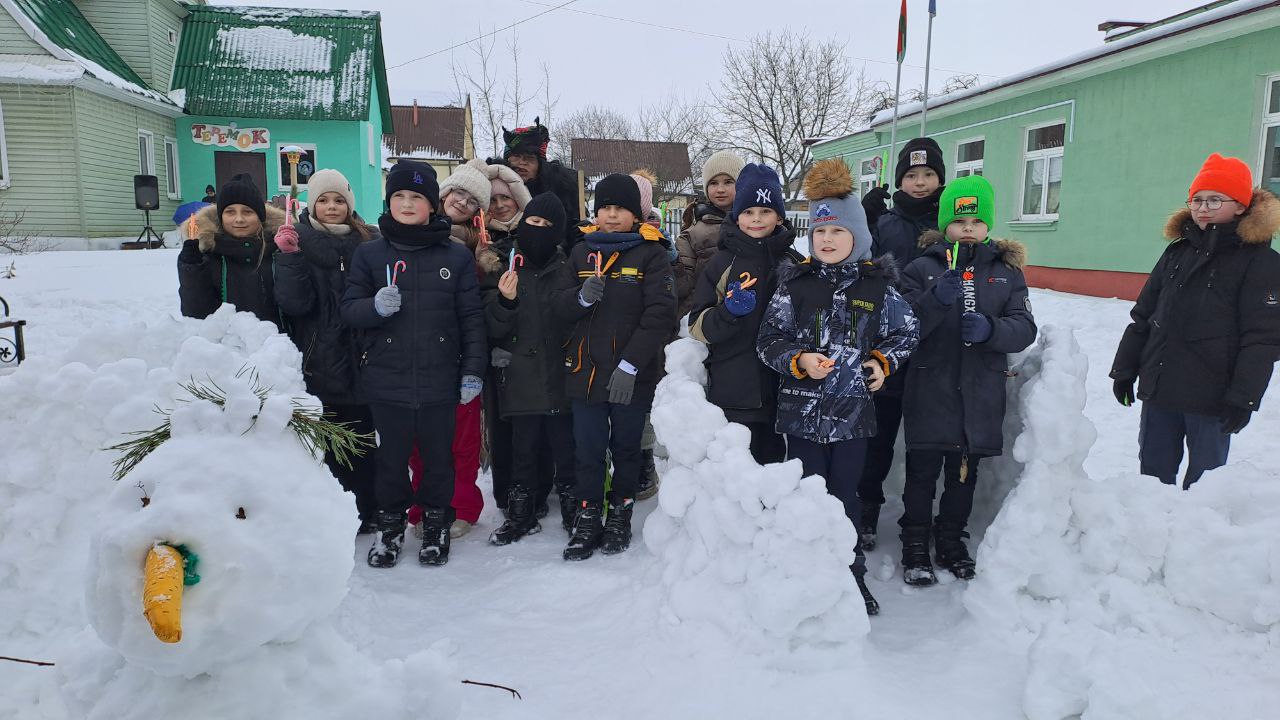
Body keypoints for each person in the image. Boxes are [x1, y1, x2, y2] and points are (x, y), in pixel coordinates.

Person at [757, 158, 920, 617]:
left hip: (853, 419)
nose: (827, 240)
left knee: (845, 498)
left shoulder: (877, 286)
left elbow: (906, 332)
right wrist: (798, 360)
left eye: (837, 232)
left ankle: (852, 576)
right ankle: (809, 576)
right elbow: (768, 340)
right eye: (820, 232)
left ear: (858, 237)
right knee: (809, 496)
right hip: (801, 417)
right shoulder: (795, 284)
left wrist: (881, 362)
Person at [340, 160, 486, 569]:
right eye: (399, 196)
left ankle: (436, 524)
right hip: (387, 379)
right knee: (391, 461)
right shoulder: (370, 253)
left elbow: (471, 319)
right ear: (389, 201)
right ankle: (390, 528)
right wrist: (374, 307)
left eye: (416, 197)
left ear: (431, 205)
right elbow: (349, 310)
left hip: (441, 377)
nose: (407, 204)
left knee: (439, 458)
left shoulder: (454, 257)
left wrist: (472, 369)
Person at [898, 175, 1037, 586]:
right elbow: (903, 325)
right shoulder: (921, 267)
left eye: (977, 220)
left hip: (978, 394)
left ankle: (951, 539)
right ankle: (916, 543)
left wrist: (992, 330)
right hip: (930, 388)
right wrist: (935, 300)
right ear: (945, 225)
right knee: (921, 474)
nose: (969, 228)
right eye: (960, 222)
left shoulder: (1006, 272)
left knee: (963, 476)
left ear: (988, 225)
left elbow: (1024, 326)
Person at [1111, 153, 1280, 490]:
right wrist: (1125, 368)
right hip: (1161, 390)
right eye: (1197, 199)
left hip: (1213, 397)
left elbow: (1263, 337)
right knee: (1152, 480)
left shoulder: (1261, 262)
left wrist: (1243, 397)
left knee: (1205, 487)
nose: (1203, 207)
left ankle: (1194, 542)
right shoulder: (1177, 252)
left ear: (1242, 206)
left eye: (1215, 199)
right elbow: (1144, 315)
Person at [554, 173, 677, 561]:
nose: (611, 215)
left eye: (620, 208)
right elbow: (557, 307)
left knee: (625, 448)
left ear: (636, 214)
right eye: (604, 207)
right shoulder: (580, 252)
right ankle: (589, 514)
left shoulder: (652, 254)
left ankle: (620, 511)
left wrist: (631, 364)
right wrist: (581, 299)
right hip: (585, 373)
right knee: (588, 449)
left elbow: (661, 315)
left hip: (631, 375)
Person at [273, 169, 379, 533]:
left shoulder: (368, 242)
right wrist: (288, 258)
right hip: (321, 358)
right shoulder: (297, 241)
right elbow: (295, 304)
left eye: (338, 200)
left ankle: (371, 507)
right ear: (312, 205)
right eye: (323, 200)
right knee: (330, 441)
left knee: (365, 437)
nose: (331, 207)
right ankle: (338, 514)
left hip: (364, 357)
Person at [858, 137, 947, 551]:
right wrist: (865, 218)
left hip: (933, 348)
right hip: (887, 343)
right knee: (878, 433)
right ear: (899, 181)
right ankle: (867, 508)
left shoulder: (951, 223)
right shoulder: (886, 223)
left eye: (928, 174)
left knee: (925, 439)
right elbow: (858, 263)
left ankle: (919, 517)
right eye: (911, 175)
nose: (920, 182)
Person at [690, 163, 802, 464]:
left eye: (765, 212)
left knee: (774, 470)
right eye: (748, 212)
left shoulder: (794, 262)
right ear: (736, 215)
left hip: (782, 388)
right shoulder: (721, 263)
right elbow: (697, 325)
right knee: (733, 473)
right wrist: (729, 312)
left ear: (778, 215)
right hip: (734, 388)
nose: (756, 219)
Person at [405, 159, 492, 540]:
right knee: (420, 443)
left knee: (462, 439)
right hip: (415, 356)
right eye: (459, 192)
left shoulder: (475, 248)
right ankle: (422, 506)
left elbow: (475, 313)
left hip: (456, 354)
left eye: (473, 200)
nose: (463, 202)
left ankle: (461, 506)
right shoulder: (404, 234)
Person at [485, 193, 579, 543]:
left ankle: (573, 505)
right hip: (521, 377)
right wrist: (505, 303)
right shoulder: (502, 264)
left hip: (560, 374)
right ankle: (521, 508)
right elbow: (491, 326)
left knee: (565, 446)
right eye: (533, 222)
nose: (537, 229)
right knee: (522, 448)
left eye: (546, 225)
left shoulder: (568, 267)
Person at [473, 159, 535, 516]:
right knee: (500, 423)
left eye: (505, 198)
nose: (499, 206)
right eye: (491, 200)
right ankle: (506, 491)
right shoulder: (479, 243)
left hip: (533, 346)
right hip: (496, 345)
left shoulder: (537, 235)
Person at [178, 173, 284, 328]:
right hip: (227, 348)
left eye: (247, 212)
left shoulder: (278, 250)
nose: (239, 219)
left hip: (277, 347)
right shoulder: (208, 255)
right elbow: (196, 313)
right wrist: (191, 268)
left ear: (260, 216)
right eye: (230, 212)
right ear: (221, 217)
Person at [677, 150, 746, 321]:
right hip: (705, 316)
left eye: (728, 182)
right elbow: (685, 285)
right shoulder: (693, 234)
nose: (720, 189)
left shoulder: (755, 227)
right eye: (713, 183)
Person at [501, 118, 584, 239]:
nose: (522, 163)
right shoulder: (495, 192)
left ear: (540, 166)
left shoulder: (560, 195)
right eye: (517, 156)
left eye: (529, 158)